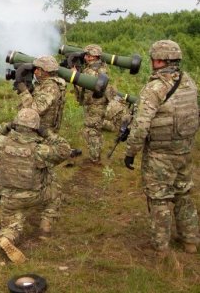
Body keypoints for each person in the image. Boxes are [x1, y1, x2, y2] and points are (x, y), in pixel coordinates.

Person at [124, 40, 199, 255]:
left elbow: (140, 126)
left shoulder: (154, 88)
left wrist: (131, 153)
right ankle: (191, 241)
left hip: (160, 154)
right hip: (184, 151)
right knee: (183, 194)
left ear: (159, 60)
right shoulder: (189, 82)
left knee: (159, 199)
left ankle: (161, 247)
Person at [0, 108, 72, 263]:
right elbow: (65, 149)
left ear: (17, 124)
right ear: (35, 128)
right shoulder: (40, 150)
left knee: (12, 224)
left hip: (9, 198)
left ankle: (7, 237)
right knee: (54, 188)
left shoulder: (1, 143)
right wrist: (46, 133)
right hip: (35, 195)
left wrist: (7, 125)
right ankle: (45, 228)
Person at [75, 44, 109, 166]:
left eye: (87, 55)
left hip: (94, 104)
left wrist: (75, 77)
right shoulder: (103, 67)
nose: (85, 58)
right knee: (97, 130)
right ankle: (97, 154)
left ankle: (94, 159)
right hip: (101, 104)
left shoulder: (90, 71)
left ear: (91, 57)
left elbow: (86, 90)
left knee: (91, 131)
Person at [16, 56, 66, 133]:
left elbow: (34, 110)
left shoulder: (50, 88)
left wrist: (24, 91)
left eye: (38, 69)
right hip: (36, 128)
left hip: (41, 133)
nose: (35, 72)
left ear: (46, 71)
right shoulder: (43, 85)